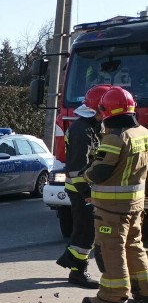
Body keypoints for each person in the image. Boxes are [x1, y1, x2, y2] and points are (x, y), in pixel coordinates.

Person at [81, 86, 148, 303]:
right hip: (136, 203)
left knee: (111, 248)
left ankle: (113, 294)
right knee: (134, 245)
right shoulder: (144, 133)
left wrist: (86, 175)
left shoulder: (115, 138)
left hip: (111, 207)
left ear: (106, 110)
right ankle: (144, 289)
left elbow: (99, 172)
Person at [54, 84, 111, 288]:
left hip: (87, 188)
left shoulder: (94, 126)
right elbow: (76, 168)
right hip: (81, 189)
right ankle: (78, 272)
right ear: (99, 108)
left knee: (85, 230)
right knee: (86, 231)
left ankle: (69, 260)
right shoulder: (82, 130)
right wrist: (86, 193)